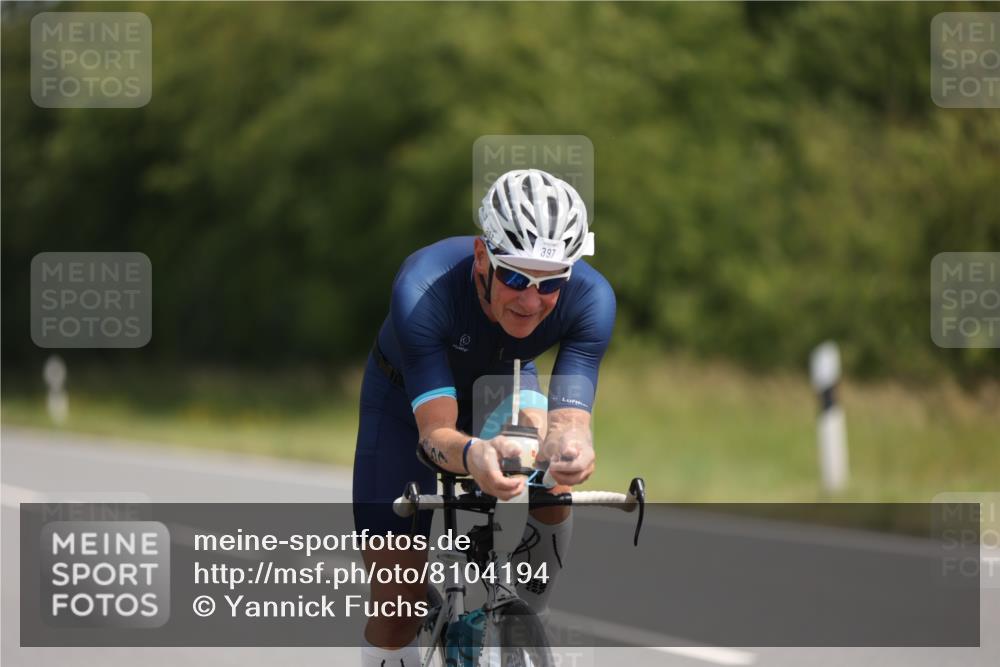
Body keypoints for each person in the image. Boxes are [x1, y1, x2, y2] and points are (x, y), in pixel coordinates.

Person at [353, 168, 616, 667]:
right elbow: (435, 434)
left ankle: (518, 616)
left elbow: (569, 420)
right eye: (515, 276)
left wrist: (572, 449)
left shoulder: (592, 299)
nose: (530, 299)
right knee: (396, 609)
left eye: (551, 283)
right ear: (482, 257)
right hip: (404, 403)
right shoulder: (422, 286)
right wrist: (474, 453)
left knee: (554, 483)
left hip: (507, 384)